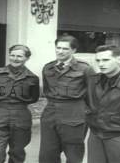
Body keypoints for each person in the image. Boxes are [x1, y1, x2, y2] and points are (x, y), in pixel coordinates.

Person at [39, 34, 93, 163]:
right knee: (47, 153)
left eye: (65, 49)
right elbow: (47, 90)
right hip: (51, 112)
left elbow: (92, 94)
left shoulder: (84, 68)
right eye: (58, 48)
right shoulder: (48, 68)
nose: (60, 51)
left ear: (73, 50)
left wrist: (87, 114)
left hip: (74, 112)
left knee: (73, 153)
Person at [0, 45, 40, 163]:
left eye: (19, 56)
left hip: (21, 115)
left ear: (27, 58)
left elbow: (33, 98)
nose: (15, 58)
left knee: (17, 152)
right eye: (12, 55)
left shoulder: (33, 78)